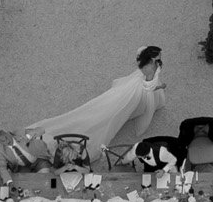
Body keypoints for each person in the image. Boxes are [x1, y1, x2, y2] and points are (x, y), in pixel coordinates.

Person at [28, 44, 166, 157]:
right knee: (121, 108)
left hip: (133, 85)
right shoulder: (150, 69)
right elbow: (149, 88)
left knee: (116, 103)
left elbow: (139, 53)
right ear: (152, 59)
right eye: (157, 56)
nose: (160, 57)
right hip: (137, 91)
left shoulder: (145, 62)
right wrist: (161, 86)